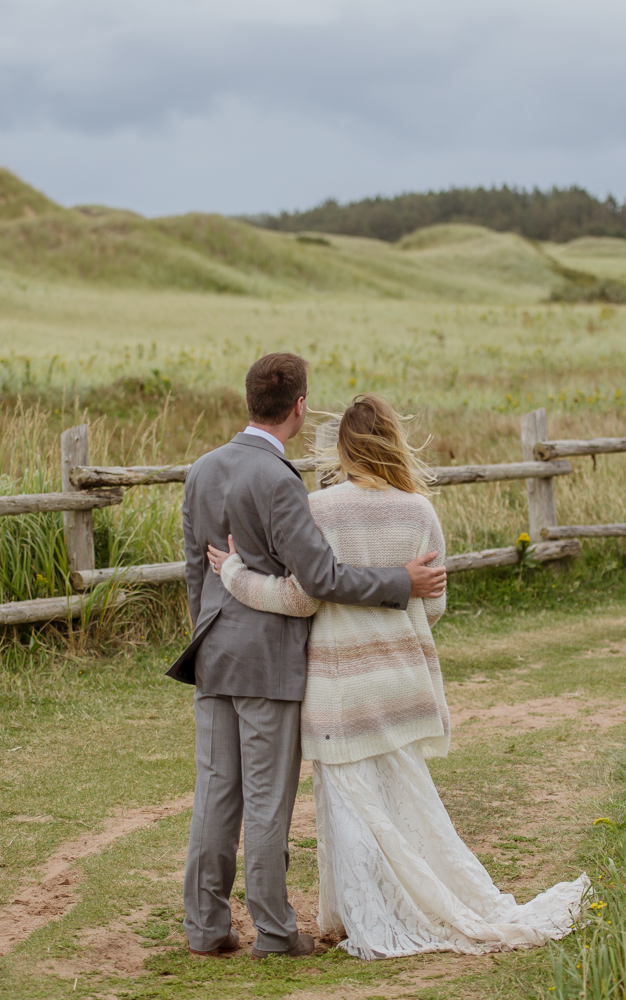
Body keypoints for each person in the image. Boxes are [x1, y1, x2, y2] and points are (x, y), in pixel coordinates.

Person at [205, 393, 589, 960]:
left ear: (344, 447)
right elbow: (432, 606)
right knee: (407, 804)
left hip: (340, 690)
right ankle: (397, 905)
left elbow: (302, 598)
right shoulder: (420, 511)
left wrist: (234, 573)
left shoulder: (320, 508)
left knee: (351, 807)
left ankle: (369, 915)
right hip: (400, 684)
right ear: (392, 442)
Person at [167, 353, 447, 961]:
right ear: (299, 406)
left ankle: (206, 927)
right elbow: (319, 577)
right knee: (267, 800)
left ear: (248, 402)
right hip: (269, 663)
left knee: (215, 794)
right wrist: (401, 581)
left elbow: (196, 573)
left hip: (213, 653)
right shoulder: (278, 480)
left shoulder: (202, 470)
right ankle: (272, 931)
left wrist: (210, 633)